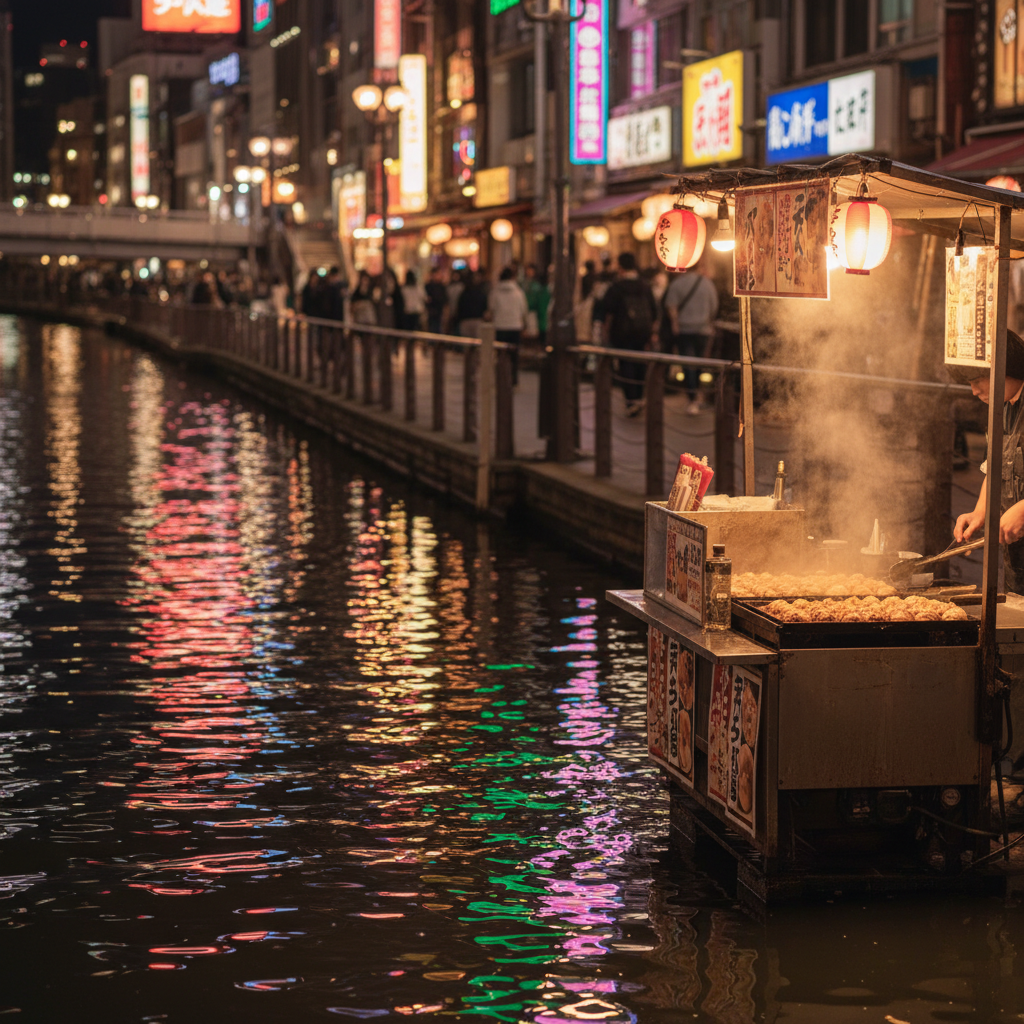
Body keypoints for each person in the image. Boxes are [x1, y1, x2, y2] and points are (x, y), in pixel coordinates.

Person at [952, 329, 1024, 592]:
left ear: (1007, 367)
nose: (973, 391)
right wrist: (981, 511)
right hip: (1017, 561)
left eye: (978, 379)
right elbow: (993, 469)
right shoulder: (1002, 408)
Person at [602, 252, 658, 417]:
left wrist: (605, 332)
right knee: (640, 363)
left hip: (622, 332)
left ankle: (631, 400)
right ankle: (640, 397)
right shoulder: (645, 286)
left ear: (620, 266)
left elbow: (607, 311)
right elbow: (654, 310)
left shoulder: (616, 287)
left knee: (626, 364)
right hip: (643, 332)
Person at [663, 256, 719, 414]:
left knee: (687, 364)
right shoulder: (708, 284)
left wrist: (675, 323)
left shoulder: (677, 283)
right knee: (701, 362)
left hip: (684, 330)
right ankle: (697, 396)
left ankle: (691, 397)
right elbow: (714, 306)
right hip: (704, 330)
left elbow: (671, 306)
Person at [487, 266, 529, 384]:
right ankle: (513, 380)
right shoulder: (518, 293)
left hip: (500, 326)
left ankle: (500, 378)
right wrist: (525, 325)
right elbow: (524, 310)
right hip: (515, 326)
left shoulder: (495, 292)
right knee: (514, 355)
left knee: (500, 354)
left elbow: (491, 309)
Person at [456, 270, 488, 338]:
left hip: (465, 320)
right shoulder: (481, 293)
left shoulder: (464, 294)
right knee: (477, 344)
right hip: (477, 320)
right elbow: (485, 307)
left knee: (467, 343)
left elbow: (459, 307)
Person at [425, 267, 448, 334]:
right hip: (431, 310)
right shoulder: (428, 286)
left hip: (439, 310)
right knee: (432, 326)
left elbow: (444, 298)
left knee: (439, 326)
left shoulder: (441, 286)